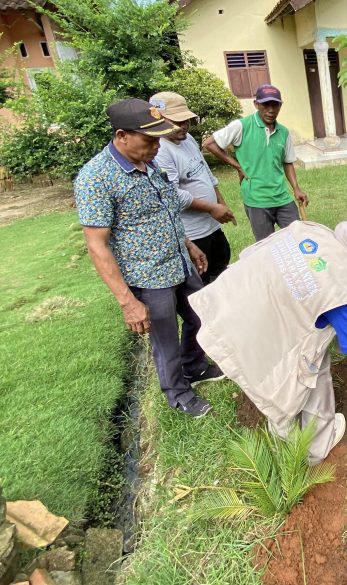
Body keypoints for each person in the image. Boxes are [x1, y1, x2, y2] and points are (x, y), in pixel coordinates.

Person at [188, 218, 347, 463]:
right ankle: (317, 445)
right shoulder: (342, 291)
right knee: (314, 363)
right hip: (259, 324)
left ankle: (281, 430)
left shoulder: (314, 230)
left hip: (232, 303)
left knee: (262, 366)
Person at [74, 99, 227, 418]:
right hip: (148, 276)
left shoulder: (150, 163)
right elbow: (97, 246)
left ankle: (195, 366)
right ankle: (177, 392)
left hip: (180, 262)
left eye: (158, 138)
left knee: (202, 315)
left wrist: (189, 245)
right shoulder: (96, 178)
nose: (157, 146)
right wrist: (127, 301)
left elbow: (166, 210)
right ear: (122, 135)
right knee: (165, 338)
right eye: (149, 140)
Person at [202, 84, 309, 241]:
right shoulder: (242, 126)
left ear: (280, 106)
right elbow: (209, 144)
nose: (271, 110)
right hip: (256, 199)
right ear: (256, 104)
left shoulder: (284, 132)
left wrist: (296, 188)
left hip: (282, 197)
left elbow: (287, 162)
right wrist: (237, 166)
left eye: (275, 105)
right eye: (266, 104)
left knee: (298, 239)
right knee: (267, 247)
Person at [149, 91, 236, 284]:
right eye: (177, 122)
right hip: (193, 233)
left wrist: (221, 203)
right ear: (159, 119)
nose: (184, 125)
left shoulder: (187, 139)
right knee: (202, 282)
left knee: (222, 271)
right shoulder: (160, 151)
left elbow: (205, 173)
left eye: (186, 120)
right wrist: (212, 208)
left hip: (212, 225)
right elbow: (172, 195)